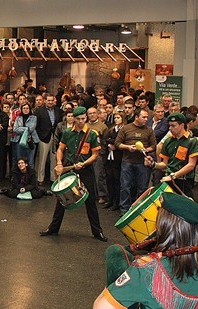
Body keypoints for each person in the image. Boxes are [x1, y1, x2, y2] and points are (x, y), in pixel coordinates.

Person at [40, 107, 107, 241]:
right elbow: (60, 149)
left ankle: (97, 231)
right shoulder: (67, 133)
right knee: (62, 198)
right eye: (78, 119)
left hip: (85, 169)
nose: (81, 121)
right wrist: (59, 163)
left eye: (83, 118)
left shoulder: (92, 134)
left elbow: (95, 154)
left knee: (90, 200)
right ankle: (53, 228)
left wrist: (84, 163)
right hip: (69, 168)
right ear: (73, 119)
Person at [146, 113, 198, 195]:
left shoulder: (191, 141)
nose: (170, 128)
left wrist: (173, 176)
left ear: (182, 125)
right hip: (168, 179)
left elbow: (191, 165)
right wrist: (153, 164)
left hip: (183, 181)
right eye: (169, 126)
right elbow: (164, 164)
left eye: (173, 126)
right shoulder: (168, 141)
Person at [115, 108, 156, 213]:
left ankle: (138, 209)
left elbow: (153, 146)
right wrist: (128, 147)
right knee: (125, 186)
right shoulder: (126, 129)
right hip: (127, 161)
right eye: (144, 117)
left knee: (142, 187)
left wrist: (145, 149)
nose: (146, 119)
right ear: (136, 117)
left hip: (142, 162)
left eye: (147, 117)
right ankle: (124, 209)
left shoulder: (149, 130)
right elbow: (118, 144)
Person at [103, 113, 125, 211]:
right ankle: (110, 200)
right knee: (109, 179)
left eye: (118, 118)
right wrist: (111, 142)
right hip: (109, 158)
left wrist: (114, 144)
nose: (116, 119)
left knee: (117, 181)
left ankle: (117, 202)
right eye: (115, 118)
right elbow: (105, 139)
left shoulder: (124, 130)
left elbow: (120, 141)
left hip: (118, 158)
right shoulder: (111, 129)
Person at [12, 102, 38, 168]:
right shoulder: (18, 118)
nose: (25, 110)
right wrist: (26, 129)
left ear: (30, 109)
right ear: (21, 109)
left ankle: (30, 178)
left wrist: (20, 129)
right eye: (24, 108)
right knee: (20, 161)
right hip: (19, 141)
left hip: (31, 141)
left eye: (27, 108)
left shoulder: (34, 118)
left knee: (30, 162)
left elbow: (31, 129)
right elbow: (15, 129)